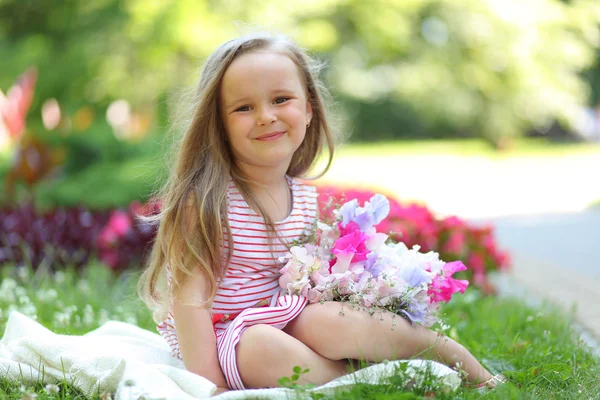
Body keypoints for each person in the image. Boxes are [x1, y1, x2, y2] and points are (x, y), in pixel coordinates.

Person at [138, 31, 504, 394]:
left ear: (309, 108)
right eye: (244, 107)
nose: (266, 116)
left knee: (334, 320)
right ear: (218, 123)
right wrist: (211, 386)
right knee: (261, 344)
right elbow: (190, 303)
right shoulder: (204, 203)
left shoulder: (303, 197)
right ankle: (359, 380)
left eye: (281, 99)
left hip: (287, 317)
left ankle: (445, 353)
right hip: (230, 340)